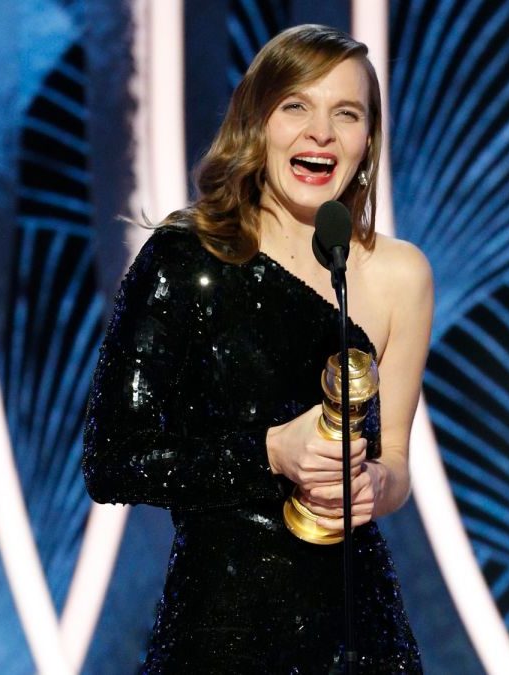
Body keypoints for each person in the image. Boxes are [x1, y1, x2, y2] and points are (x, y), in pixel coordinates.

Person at [82, 24, 432, 674]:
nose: (321, 132)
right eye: (296, 105)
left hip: (360, 632)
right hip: (219, 632)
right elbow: (113, 461)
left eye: (346, 113)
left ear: (368, 141)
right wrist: (271, 451)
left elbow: (397, 466)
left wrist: (373, 484)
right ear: (256, 122)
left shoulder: (401, 274)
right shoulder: (184, 261)